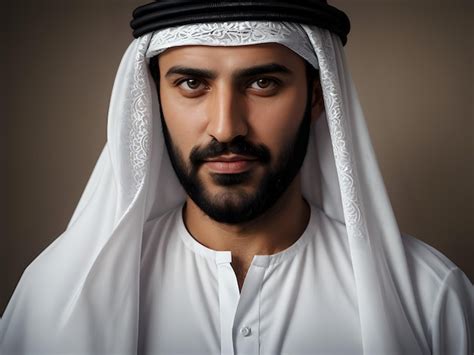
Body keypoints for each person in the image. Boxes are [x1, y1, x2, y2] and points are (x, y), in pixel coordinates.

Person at [0, 1, 472, 354]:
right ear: (153, 100)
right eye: (191, 84)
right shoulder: (56, 299)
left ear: (315, 97)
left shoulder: (430, 298)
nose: (226, 126)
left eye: (263, 83)